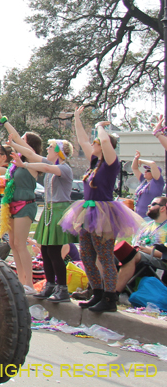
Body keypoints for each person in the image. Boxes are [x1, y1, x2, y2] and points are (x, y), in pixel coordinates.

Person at [61, 106, 143, 312]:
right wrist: (77, 118)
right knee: (87, 256)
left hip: (104, 212)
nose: (94, 143)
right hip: (87, 211)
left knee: (104, 256)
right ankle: (97, 293)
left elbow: (105, 141)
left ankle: (109, 298)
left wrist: (99, 126)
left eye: (96, 141)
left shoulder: (111, 163)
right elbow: (82, 140)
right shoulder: (94, 162)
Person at [10, 138, 77, 303]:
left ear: (60, 151)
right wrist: (13, 144)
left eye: (51, 146)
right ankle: (50, 285)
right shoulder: (50, 162)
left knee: (54, 252)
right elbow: (30, 154)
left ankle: (62, 289)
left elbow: (46, 167)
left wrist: (24, 165)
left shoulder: (64, 168)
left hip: (59, 211)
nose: (47, 148)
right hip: (48, 211)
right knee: (45, 252)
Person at [0, 104, 42, 294]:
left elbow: (17, 139)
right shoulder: (17, 164)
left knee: (20, 244)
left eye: (24, 140)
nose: (19, 141)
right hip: (11, 205)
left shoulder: (35, 162)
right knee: (13, 244)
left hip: (25, 206)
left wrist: (4, 120)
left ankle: (29, 283)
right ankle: (21, 282)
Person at [114, 197, 167, 296]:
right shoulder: (146, 224)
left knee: (131, 255)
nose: (149, 206)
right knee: (109, 253)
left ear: (163, 208)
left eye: (153, 204)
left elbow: (164, 255)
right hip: (138, 255)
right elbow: (136, 243)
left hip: (157, 262)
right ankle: (99, 290)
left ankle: (114, 294)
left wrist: (145, 250)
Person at [130, 151, 164, 219]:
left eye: (148, 170)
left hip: (149, 217)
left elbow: (152, 164)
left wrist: (141, 161)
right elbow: (134, 168)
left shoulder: (157, 182)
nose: (145, 171)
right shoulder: (143, 181)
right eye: (145, 170)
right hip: (138, 215)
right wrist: (136, 159)